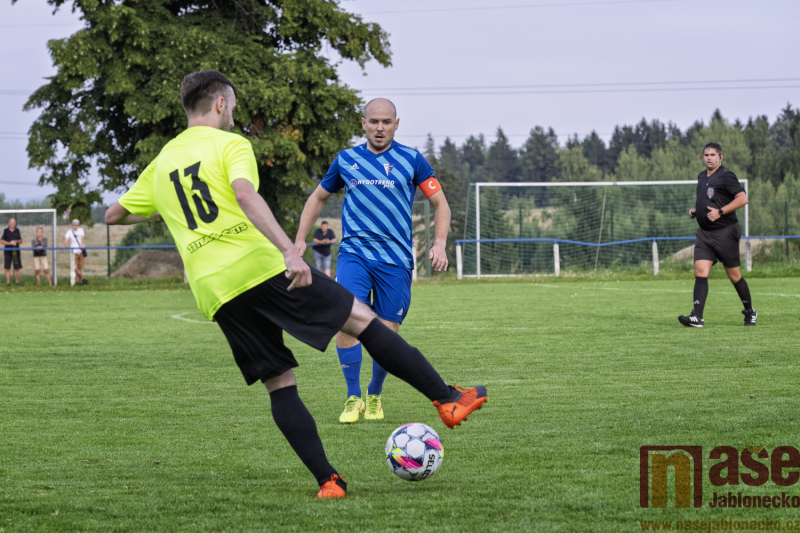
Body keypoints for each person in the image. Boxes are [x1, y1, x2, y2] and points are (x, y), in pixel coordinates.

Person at [104, 70, 487, 499]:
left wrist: (163, 206)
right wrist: (290, 250)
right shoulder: (230, 144)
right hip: (259, 268)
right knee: (361, 319)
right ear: (220, 104)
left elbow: (114, 215)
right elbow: (245, 194)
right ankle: (447, 398)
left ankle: (328, 481)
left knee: (279, 381)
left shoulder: (162, 163)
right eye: (233, 106)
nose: (234, 114)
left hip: (214, 292)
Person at [295, 98, 451, 425]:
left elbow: (440, 203)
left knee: (387, 334)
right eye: (374, 121)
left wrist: (439, 243)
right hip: (354, 254)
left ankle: (374, 394)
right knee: (346, 319)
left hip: (395, 260)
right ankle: (353, 397)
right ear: (363, 123)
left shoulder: (412, 160)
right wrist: (298, 239)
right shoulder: (346, 159)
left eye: (386, 122)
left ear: (396, 124)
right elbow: (317, 198)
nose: (380, 128)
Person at [679, 142, 755, 328]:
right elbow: (708, 200)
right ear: (702, 157)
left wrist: (720, 212)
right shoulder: (701, 176)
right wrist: (697, 211)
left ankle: (749, 311)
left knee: (734, 275)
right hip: (705, 234)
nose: (709, 158)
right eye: (706, 155)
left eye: (713, 155)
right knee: (700, 271)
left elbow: (743, 199)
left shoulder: (726, 176)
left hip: (725, 232)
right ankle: (697, 318)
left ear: (720, 158)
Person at [64, 219, 88, 285]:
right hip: (74, 252)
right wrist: (65, 243)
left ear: (78, 225)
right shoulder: (69, 232)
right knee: (75, 268)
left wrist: (82, 244)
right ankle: (83, 279)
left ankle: (77, 282)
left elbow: (82, 237)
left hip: (80, 251)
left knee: (79, 267)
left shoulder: (81, 230)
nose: (75, 226)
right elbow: (66, 239)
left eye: (76, 225)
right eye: (74, 225)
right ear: (72, 225)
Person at [2, 218, 23, 285]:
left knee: (17, 268)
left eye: (14, 222)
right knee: (7, 268)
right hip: (7, 253)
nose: (13, 223)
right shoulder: (5, 230)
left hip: (16, 253)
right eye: (11, 222)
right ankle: (8, 283)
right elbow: (2, 241)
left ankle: (17, 282)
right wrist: (10, 243)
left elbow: (21, 240)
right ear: (9, 223)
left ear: (15, 223)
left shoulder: (17, 230)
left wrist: (15, 241)